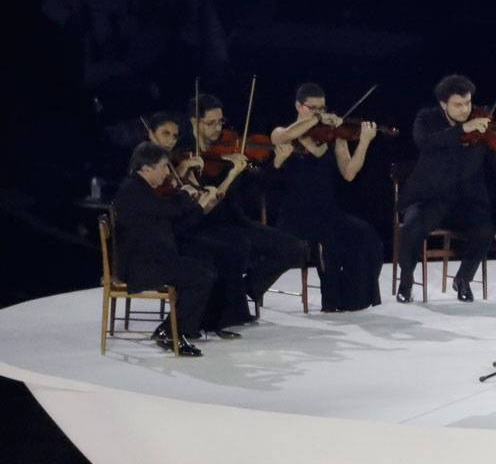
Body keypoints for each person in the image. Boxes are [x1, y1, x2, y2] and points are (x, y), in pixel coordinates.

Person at [396, 74, 496, 303]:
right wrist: (462, 129)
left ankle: (462, 279)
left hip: (467, 200)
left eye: (468, 103)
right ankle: (406, 280)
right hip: (431, 198)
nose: (465, 110)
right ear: (444, 105)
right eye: (458, 105)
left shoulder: (482, 125)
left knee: (485, 229)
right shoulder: (427, 119)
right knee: (410, 229)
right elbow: (425, 142)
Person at [181, 93, 309, 308]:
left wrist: (276, 163)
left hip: (235, 221)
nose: (217, 128)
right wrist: (227, 175)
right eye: (210, 123)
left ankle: (249, 287)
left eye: (220, 122)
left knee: (296, 248)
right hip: (205, 227)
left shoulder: (233, 147)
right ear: (195, 122)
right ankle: (228, 303)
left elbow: (257, 187)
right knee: (238, 248)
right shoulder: (185, 153)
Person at [269, 83, 383, 312]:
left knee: (365, 234)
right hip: (295, 215)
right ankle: (331, 302)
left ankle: (354, 299)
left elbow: (349, 173)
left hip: (327, 211)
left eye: (322, 107)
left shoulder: (332, 137)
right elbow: (287, 135)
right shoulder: (282, 132)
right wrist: (318, 118)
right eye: (313, 108)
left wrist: (364, 143)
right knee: (329, 240)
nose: (319, 113)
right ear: (299, 106)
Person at [146, 111, 250, 337]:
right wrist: (182, 176)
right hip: (161, 240)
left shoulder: (173, 161)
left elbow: (183, 198)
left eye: (174, 135)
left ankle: (214, 321)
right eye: (165, 134)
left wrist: (200, 193)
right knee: (206, 261)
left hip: (180, 232)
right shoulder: (146, 163)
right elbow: (154, 200)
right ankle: (175, 327)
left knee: (230, 253)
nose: (171, 140)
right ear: (151, 135)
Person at [112, 142, 218, 356]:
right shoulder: (133, 189)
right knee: (201, 277)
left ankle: (172, 329)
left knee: (206, 270)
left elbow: (164, 210)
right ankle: (173, 333)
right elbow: (168, 211)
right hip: (141, 265)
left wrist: (186, 198)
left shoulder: (138, 187)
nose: (168, 172)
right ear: (147, 168)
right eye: (164, 166)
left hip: (151, 258)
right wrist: (189, 199)